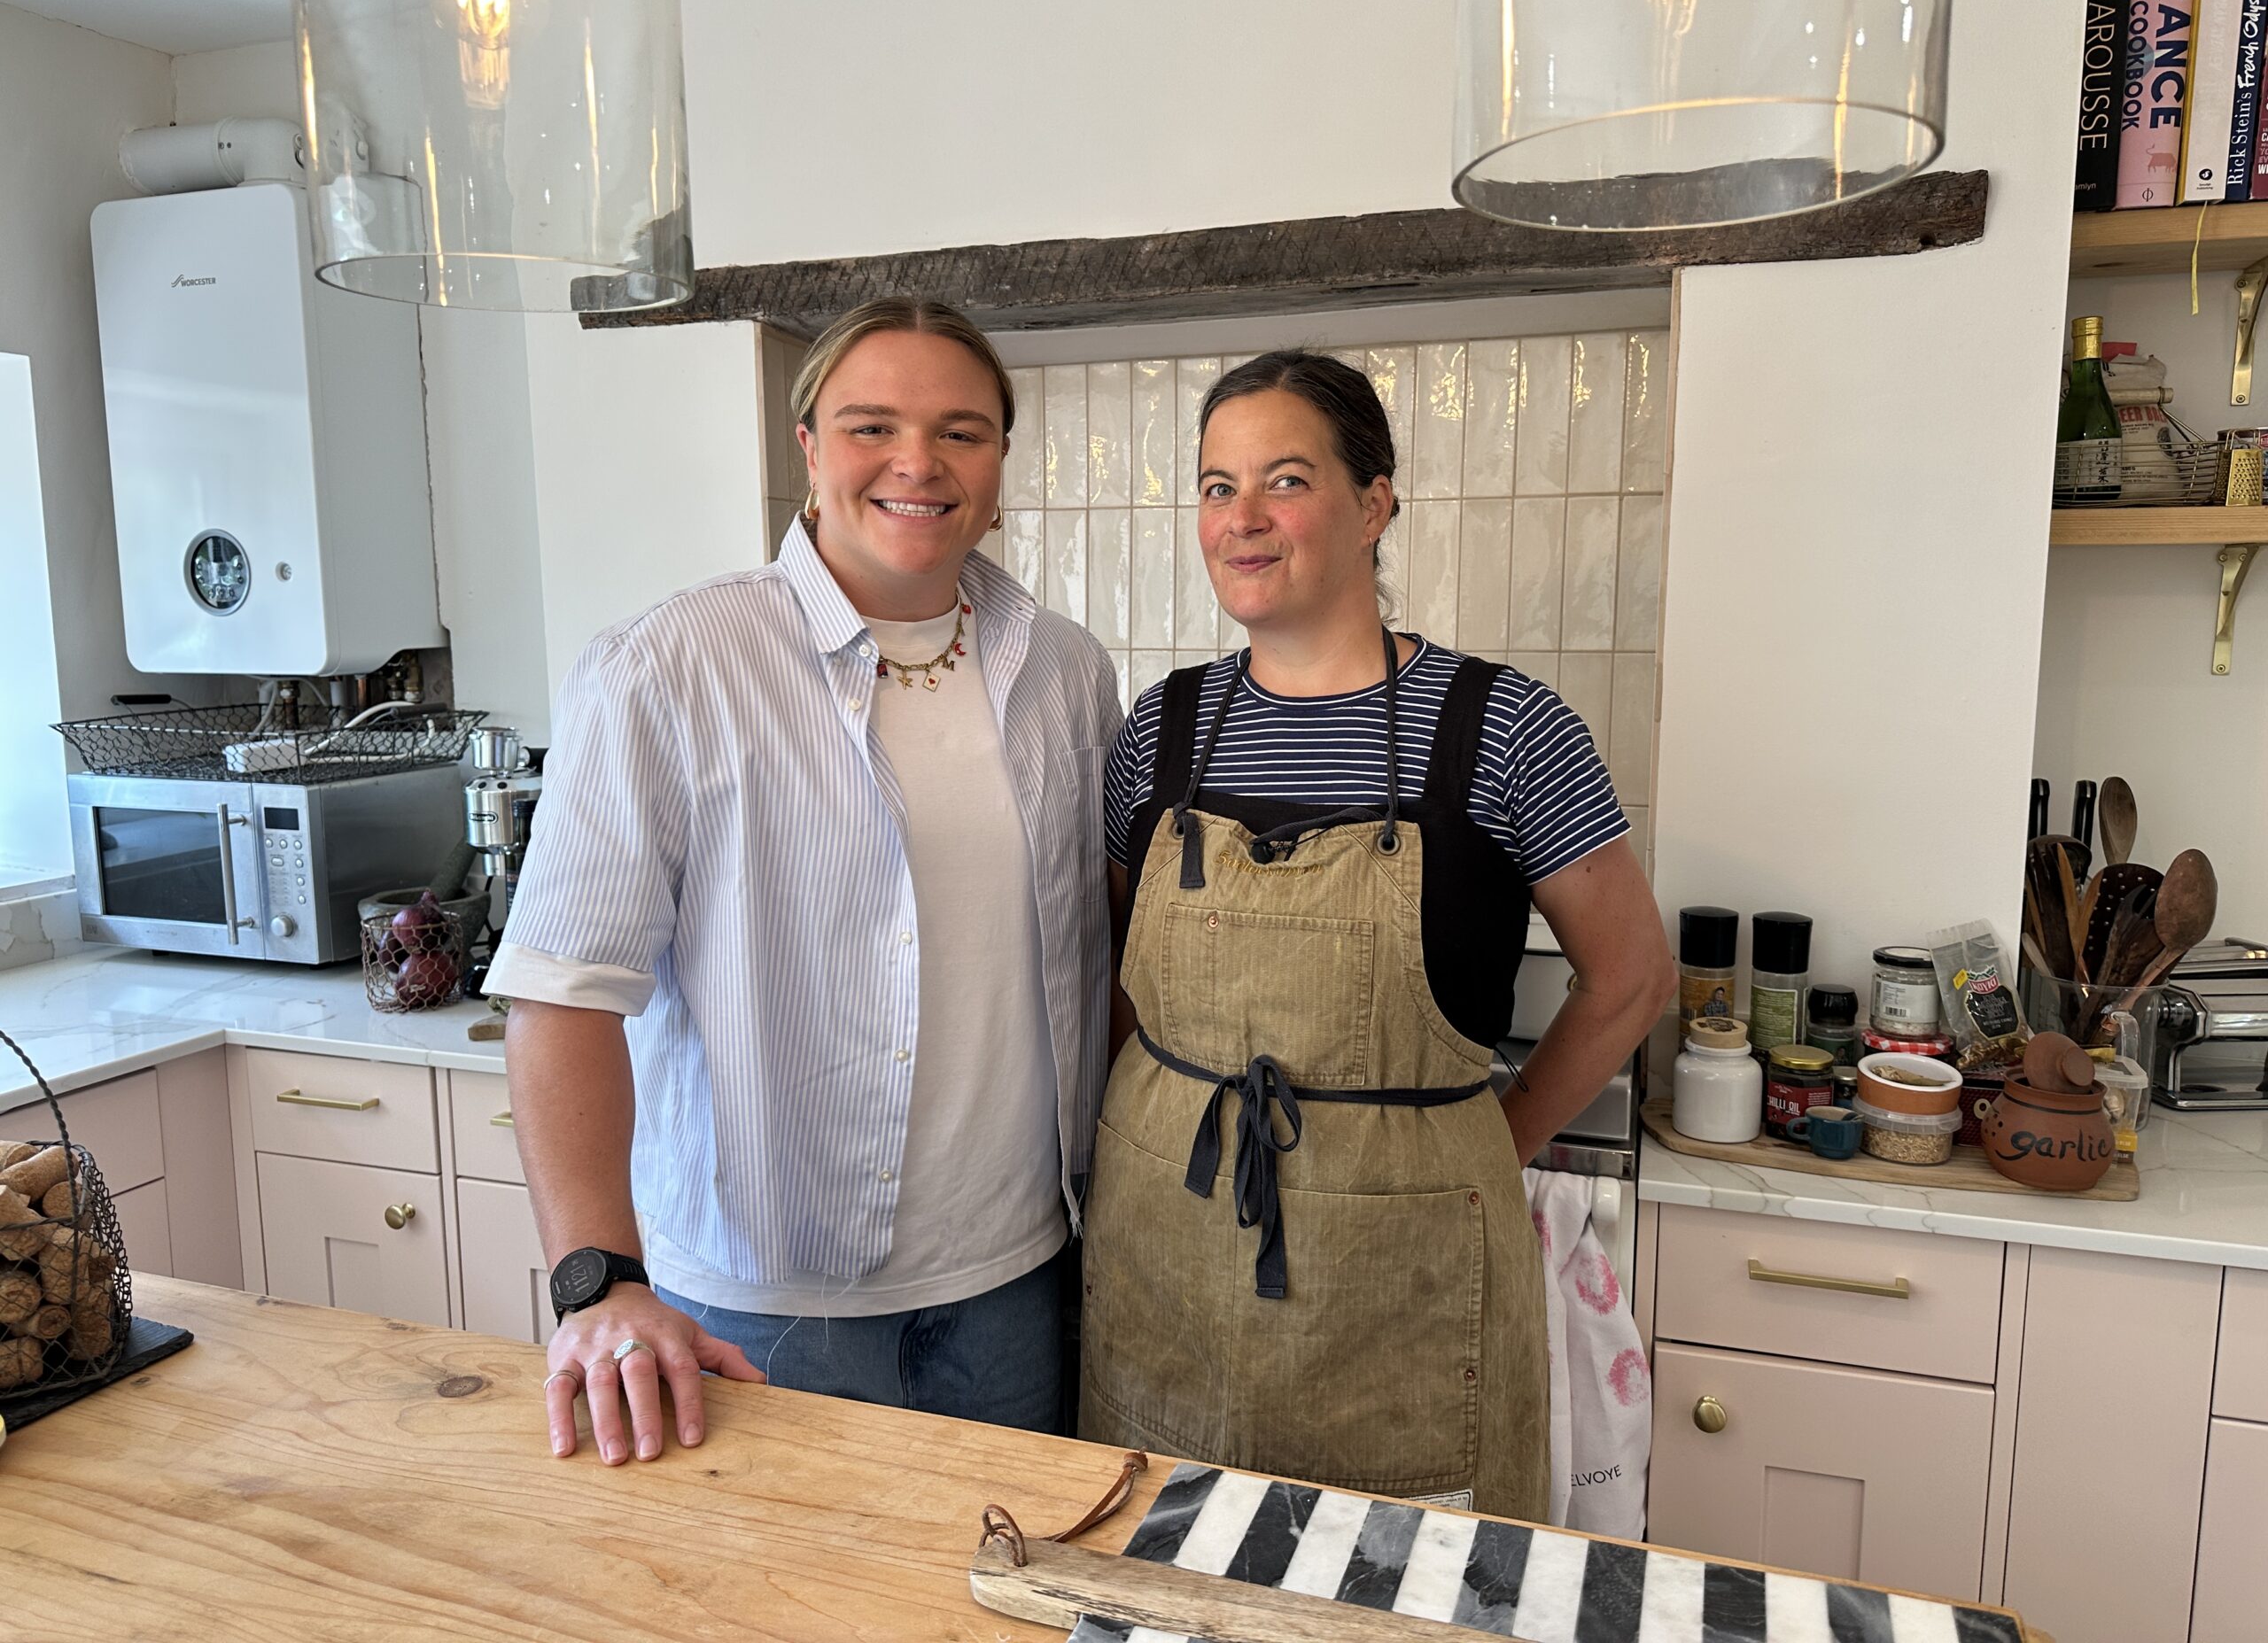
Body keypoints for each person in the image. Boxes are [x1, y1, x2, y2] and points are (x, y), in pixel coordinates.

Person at [488, 298, 1120, 1467]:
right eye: (872, 425)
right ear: (810, 450)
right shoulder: (676, 663)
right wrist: (600, 1285)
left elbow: (1099, 949)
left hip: (1017, 1277)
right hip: (764, 1300)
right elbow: (561, 993)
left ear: (1000, 463)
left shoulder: (1069, 672)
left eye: (962, 431)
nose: (918, 463)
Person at [1079, 348, 1674, 1520]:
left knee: (1409, 1586)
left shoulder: (1504, 729)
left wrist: (1493, 1142)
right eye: (1216, 486)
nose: (1241, 520)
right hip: (1165, 1255)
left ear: (1374, 502)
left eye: (1285, 480)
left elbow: (1632, 978)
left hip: (1407, 1278)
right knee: (1163, 1572)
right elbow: (1119, 981)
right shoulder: (1161, 729)